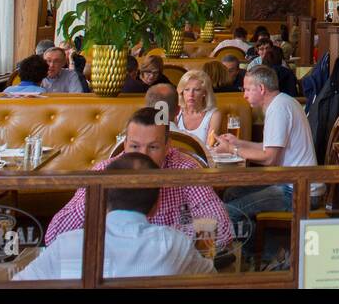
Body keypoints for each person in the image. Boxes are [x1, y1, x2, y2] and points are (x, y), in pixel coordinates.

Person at [45, 108, 231, 250]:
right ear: (125, 144)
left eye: (153, 147)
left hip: (168, 270)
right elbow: (54, 236)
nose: (143, 155)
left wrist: (155, 238)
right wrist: (95, 198)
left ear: (168, 146)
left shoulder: (185, 170)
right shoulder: (104, 171)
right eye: (135, 146)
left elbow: (221, 229)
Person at [17, 153, 214, 281]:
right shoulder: (174, 245)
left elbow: (19, 283)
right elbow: (211, 279)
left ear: (102, 200)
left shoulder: (67, 244)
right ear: (156, 206)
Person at [213, 66, 316, 249]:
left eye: (247, 89)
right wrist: (238, 143)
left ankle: (264, 254)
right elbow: (269, 147)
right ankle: (257, 245)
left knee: (229, 212)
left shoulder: (278, 109)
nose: (244, 95)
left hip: (298, 191)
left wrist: (231, 149)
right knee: (231, 193)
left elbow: (270, 159)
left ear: (261, 89)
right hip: (292, 183)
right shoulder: (283, 102)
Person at [174, 69, 222, 145]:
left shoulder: (214, 115)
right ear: (182, 93)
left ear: (205, 93)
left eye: (196, 90)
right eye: (186, 89)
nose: (191, 94)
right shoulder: (176, 112)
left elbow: (210, 147)